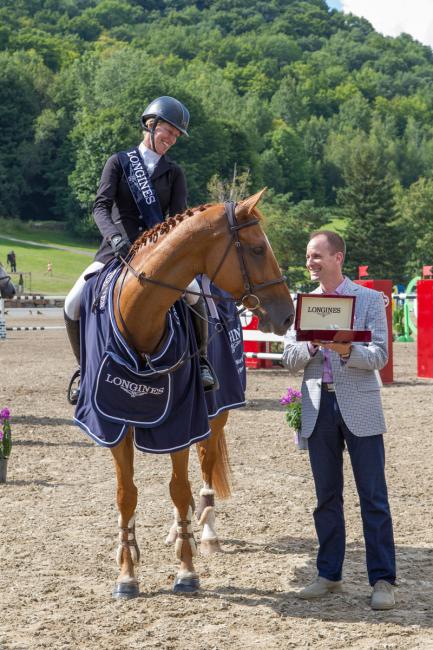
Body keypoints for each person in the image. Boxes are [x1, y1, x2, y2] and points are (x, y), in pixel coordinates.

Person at [64, 96, 216, 404]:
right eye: (168, 132)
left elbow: (179, 220)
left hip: (157, 256)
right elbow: (101, 208)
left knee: (195, 294)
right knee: (72, 303)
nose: (171, 140)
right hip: (114, 252)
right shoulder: (119, 162)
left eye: (176, 136)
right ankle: (84, 369)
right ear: (151, 124)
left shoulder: (174, 173)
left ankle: (201, 362)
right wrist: (116, 239)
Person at [282, 230, 396, 610]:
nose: (310, 262)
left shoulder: (367, 300)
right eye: (308, 256)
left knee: (373, 497)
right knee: (326, 498)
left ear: (337, 258)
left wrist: (348, 351)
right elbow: (288, 355)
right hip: (318, 408)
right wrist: (312, 345)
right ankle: (329, 573)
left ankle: (382, 580)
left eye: (316, 256)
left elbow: (379, 355)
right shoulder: (305, 303)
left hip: (360, 405)